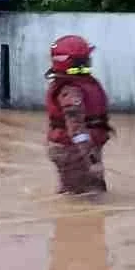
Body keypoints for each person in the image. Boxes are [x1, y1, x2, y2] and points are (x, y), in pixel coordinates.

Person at [45, 35, 113, 195]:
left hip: (76, 150)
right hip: (75, 151)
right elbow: (76, 131)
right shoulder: (71, 91)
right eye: (85, 58)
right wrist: (92, 160)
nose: (89, 61)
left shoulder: (76, 85)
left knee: (87, 194)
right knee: (84, 198)